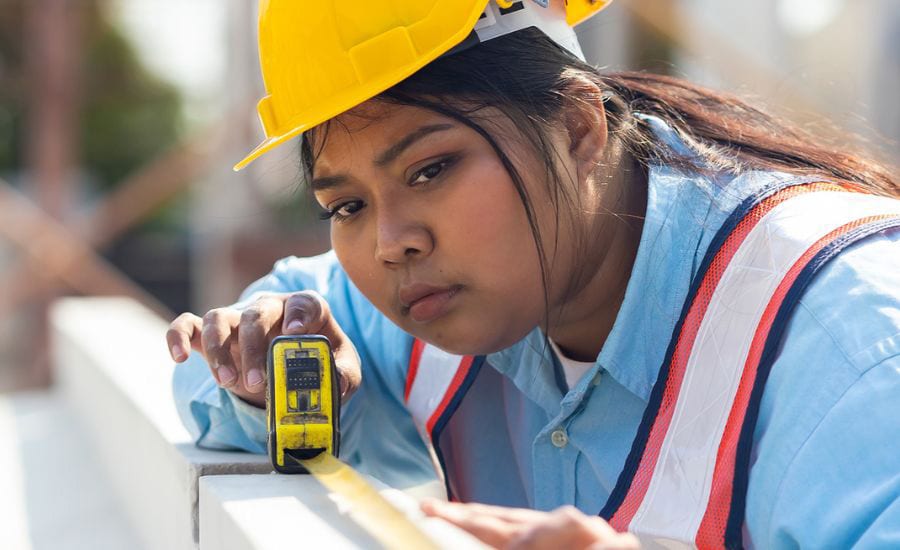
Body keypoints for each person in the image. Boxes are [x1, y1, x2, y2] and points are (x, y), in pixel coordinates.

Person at [166, 1, 900, 548]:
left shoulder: (851, 347)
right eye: (347, 203)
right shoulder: (441, 294)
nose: (391, 242)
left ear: (580, 129)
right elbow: (213, 376)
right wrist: (262, 377)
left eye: (431, 168)